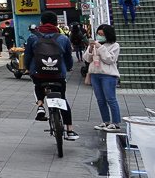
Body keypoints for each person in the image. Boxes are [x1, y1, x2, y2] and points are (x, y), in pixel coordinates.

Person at [25, 11, 78, 141]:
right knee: (63, 99)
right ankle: (70, 130)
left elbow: (28, 56)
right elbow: (68, 58)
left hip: (38, 73)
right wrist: (69, 67)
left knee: (38, 85)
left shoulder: (33, 37)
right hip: (58, 75)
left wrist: (27, 68)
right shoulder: (63, 38)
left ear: (41, 23)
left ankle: (40, 105)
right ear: (56, 24)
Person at [85, 24, 122, 131]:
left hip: (108, 75)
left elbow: (109, 60)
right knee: (100, 100)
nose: (100, 36)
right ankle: (105, 121)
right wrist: (90, 49)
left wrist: (101, 48)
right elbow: (87, 59)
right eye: (99, 34)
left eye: (102, 34)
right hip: (95, 74)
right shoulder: (96, 44)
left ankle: (116, 123)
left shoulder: (114, 46)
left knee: (111, 99)